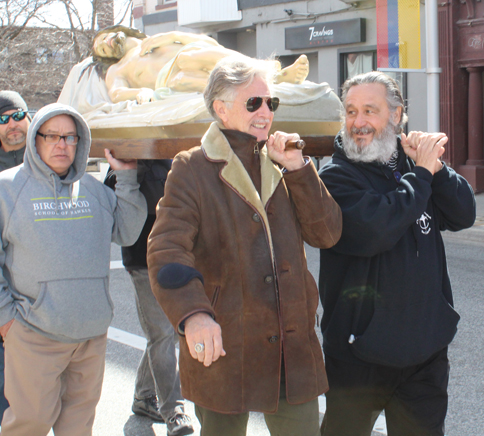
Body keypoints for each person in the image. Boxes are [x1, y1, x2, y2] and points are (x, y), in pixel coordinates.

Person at [146, 55, 342, 436]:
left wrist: (300, 169)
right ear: (221, 108)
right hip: (226, 345)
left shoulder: (283, 162)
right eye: (254, 102)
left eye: (271, 103)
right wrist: (195, 315)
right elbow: (167, 250)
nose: (265, 111)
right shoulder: (192, 167)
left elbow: (327, 234)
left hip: (291, 346)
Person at [317, 71, 476, 436]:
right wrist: (421, 173)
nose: (358, 122)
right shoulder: (335, 178)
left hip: (425, 353)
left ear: (396, 114)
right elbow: (378, 228)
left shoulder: (412, 165)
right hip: (359, 357)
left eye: (370, 111)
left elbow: (463, 213)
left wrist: (435, 170)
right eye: (351, 111)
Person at [0, 103, 147, 435]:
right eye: (53, 136)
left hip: (90, 337)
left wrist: (127, 178)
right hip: (34, 334)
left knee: (78, 427)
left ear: (80, 142)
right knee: (28, 426)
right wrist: (4, 316)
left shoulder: (95, 192)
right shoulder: (3, 190)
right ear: (36, 139)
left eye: (70, 138)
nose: (62, 145)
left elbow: (128, 231)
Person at [104, 160, 194, 436]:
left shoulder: (173, 158)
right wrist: (126, 169)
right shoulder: (127, 156)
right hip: (142, 260)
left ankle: (144, 398)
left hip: (177, 257)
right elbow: (113, 205)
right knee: (163, 335)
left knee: (161, 333)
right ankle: (174, 410)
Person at [90, 25, 310, 103]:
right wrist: (141, 92)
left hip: (189, 54)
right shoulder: (117, 69)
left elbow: (199, 40)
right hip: (167, 79)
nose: (105, 44)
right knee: (183, 80)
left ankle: (272, 74)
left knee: (190, 58)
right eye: (102, 49)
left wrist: (169, 37)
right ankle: (253, 87)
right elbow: (117, 93)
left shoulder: (155, 38)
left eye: (103, 38)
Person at [0, 90, 31, 425]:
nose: (11, 124)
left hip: (40, 277)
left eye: (17, 115)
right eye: (2, 119)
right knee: (0, 362)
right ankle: (10, 426)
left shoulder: (47, 154)